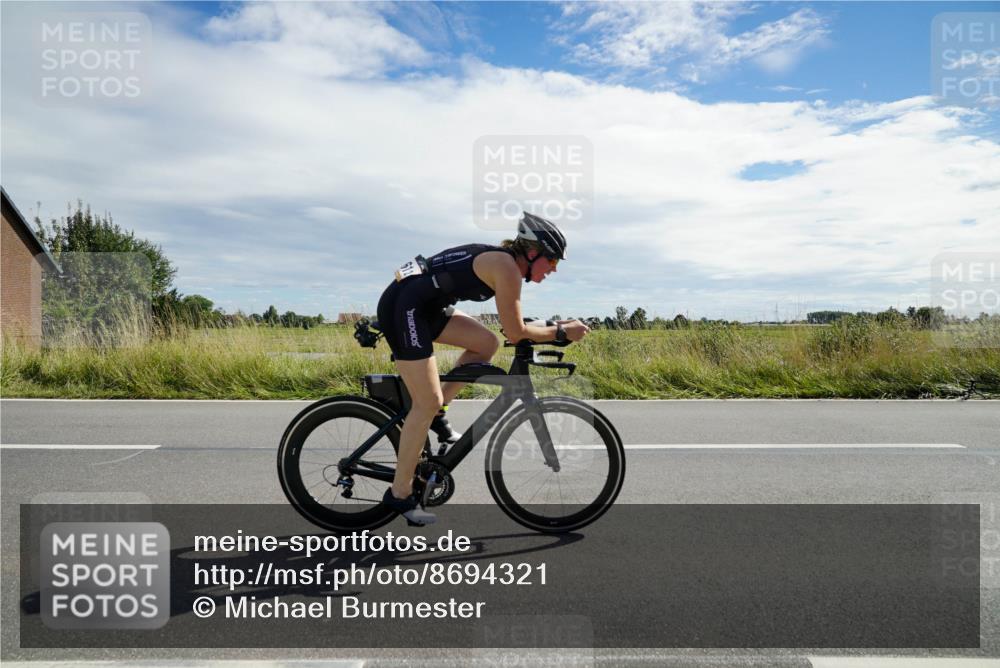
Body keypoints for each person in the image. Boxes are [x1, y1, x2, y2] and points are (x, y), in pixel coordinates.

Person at [375, 212, 590, 524]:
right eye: (552, 261)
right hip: (405, 307)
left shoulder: (506, 265)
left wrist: (556, 326)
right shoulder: (506, 268)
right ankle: (399, 493)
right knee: (426, 400)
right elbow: (516, 332)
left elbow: (513, 326)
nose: (553, 270)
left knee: (485, 344)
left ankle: (435, 415)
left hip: (424, 306)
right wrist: (560, 332)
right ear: (532, 253)